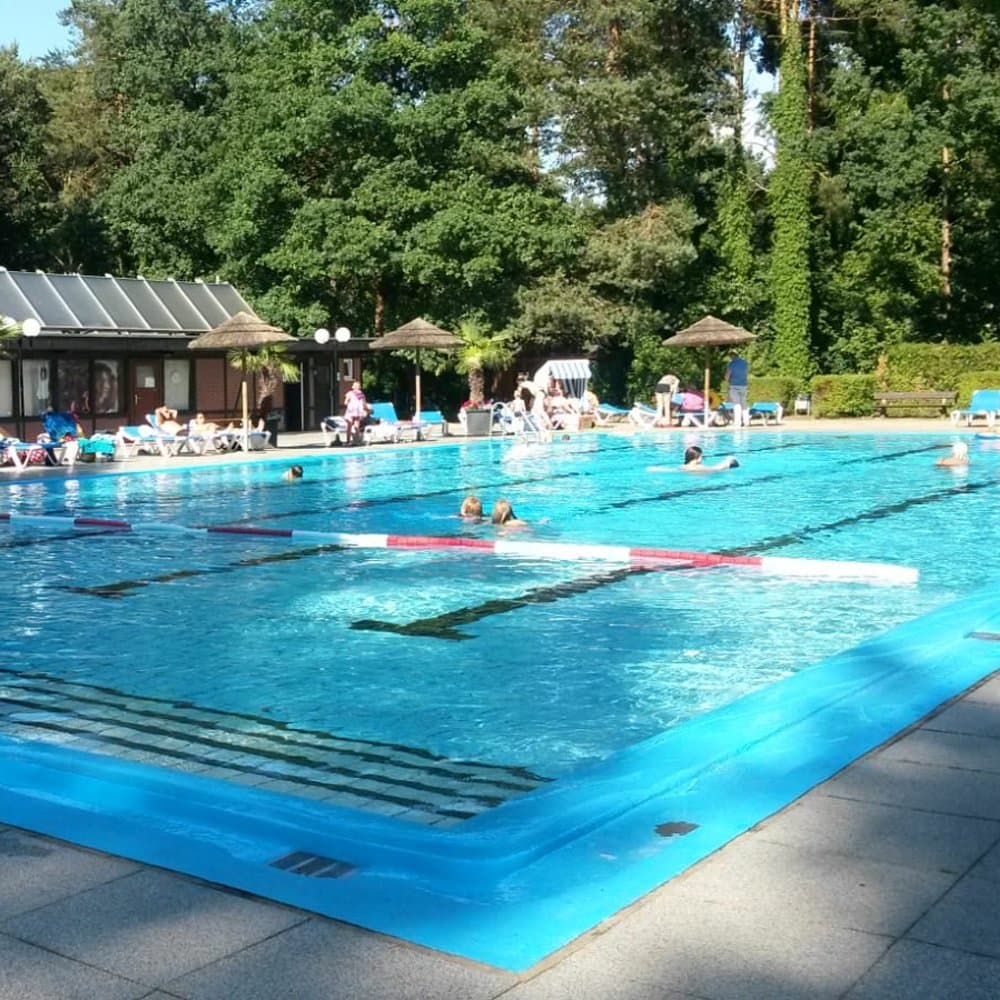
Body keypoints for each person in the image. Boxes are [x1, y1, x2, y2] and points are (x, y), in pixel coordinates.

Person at [725, 350, 750, 427]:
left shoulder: (731, 364)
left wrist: (727, 379)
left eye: (730, 357)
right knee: (744, 404)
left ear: (732, 356)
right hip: (744, 385)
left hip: (734, 386)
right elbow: (746, 373)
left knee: (737, 404)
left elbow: (727, 376)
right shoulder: (745, 363)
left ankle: (737, 422)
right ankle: (746, 421)